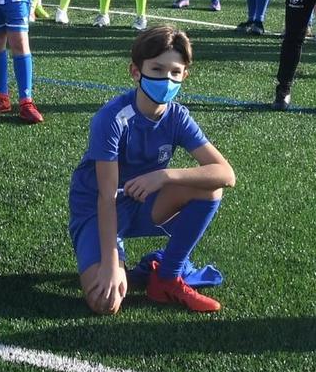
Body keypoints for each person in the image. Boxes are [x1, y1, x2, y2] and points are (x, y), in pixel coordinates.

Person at [70, 24, 234, 316]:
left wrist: (164, 175)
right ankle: (137, 263)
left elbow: (225, 174)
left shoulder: (178, 117)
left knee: (210, 187)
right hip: (98, 210)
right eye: (157, 70)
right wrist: (110, 263)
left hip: (143, 202)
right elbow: (106, 197)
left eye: (174, 72)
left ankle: (167, 277)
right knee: (105, 303)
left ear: (185, 75)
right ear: (136, 72)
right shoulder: (112, 119)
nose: (166, 79)